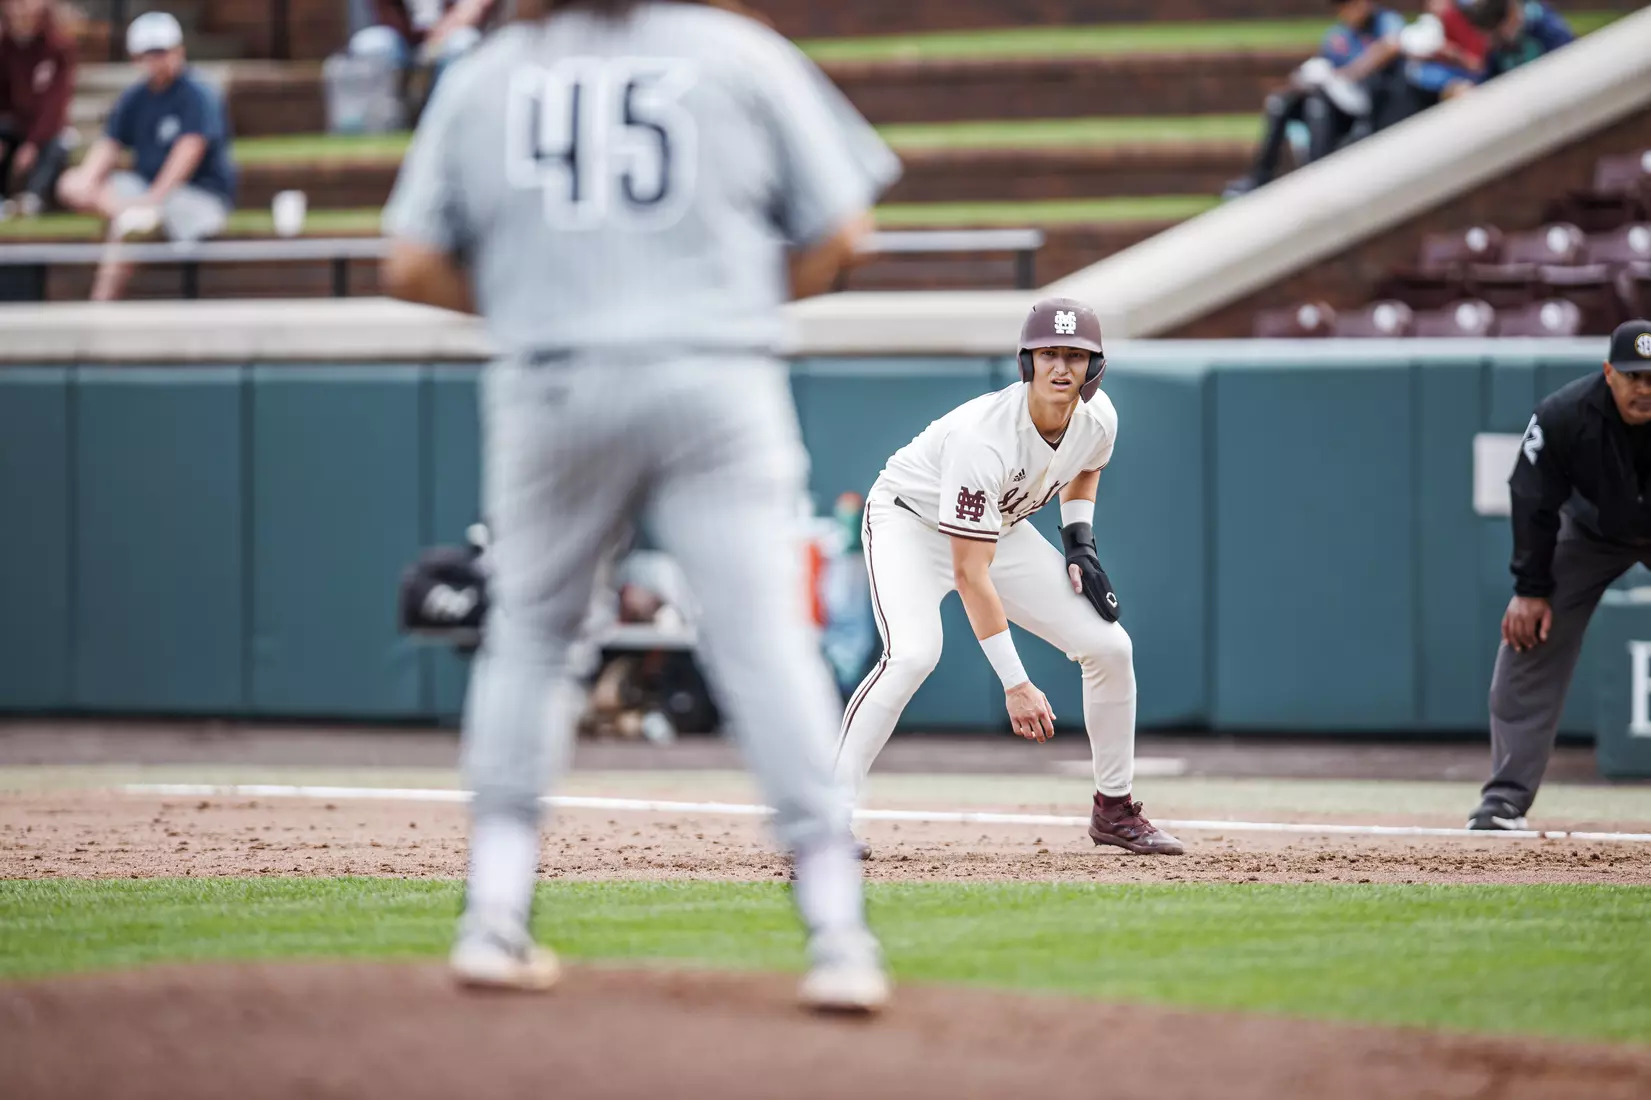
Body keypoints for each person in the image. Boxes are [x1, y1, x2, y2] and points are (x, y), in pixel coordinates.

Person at [380, 0, 900, 1011]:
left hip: (553, 377)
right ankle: (838, 932)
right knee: (762, 643)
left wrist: (544, 302)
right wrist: (724, 303)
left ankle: (493, 916)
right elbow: (846, 234)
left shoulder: (485, 72)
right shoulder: (736, 51)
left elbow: (407, 261)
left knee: (529, 638)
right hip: (714, 371)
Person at [834, 297, 1184, 857]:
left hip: (999, 522)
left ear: (1094, 368)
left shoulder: (1099, 419)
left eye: (1076, 355)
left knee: (1110, 647)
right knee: (913, 655)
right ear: (1027, 361)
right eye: (1049, 354)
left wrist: (1079, 541)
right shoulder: (984, 438)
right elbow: (972, 575)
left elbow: (1086, 463)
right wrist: (1016, 684)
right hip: (908, 521)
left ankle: (1114, 810)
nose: (1061, 368)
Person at [1473, 320, 1651, 831]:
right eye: (1632, 375)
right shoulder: (1562, 414)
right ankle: (1504, 800)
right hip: (1593, 533)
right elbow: (1531, 494)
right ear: (1608, 373)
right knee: (1528, 638)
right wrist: (1530, 589)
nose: (1643, 388)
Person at [56, 12, 236, 301]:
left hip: (196, 197)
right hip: (143, 191)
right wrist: (88, 179)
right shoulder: (135, 97)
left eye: (161, 52)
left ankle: (99, 304)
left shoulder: (198, 93)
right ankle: (132, 216)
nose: (156, 60)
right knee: (72, 183)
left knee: (129, 228)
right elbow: (108, 146)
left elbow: (188, 153)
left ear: (179, 51)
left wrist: (152, 199)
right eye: (148, 53)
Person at [1224, 0, 1413, 199]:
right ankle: (1259, 177)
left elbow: (1391, 46)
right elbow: (1323, 65)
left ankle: (1316, 177)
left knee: (1318, 105)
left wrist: (1349, 73)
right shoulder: (1338, 35)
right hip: (1335, 100)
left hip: (1371, 105)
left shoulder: (1386, 22)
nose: (1350, 11)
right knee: (1280, 103)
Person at [0, 0, 75, 220]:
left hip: (49, 128)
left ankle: (33, 200)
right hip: (16, 125)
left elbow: (56, 104)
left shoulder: (58, 46)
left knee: (56, 144)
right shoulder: (5, 45)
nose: (19, 10)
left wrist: (33, 142)